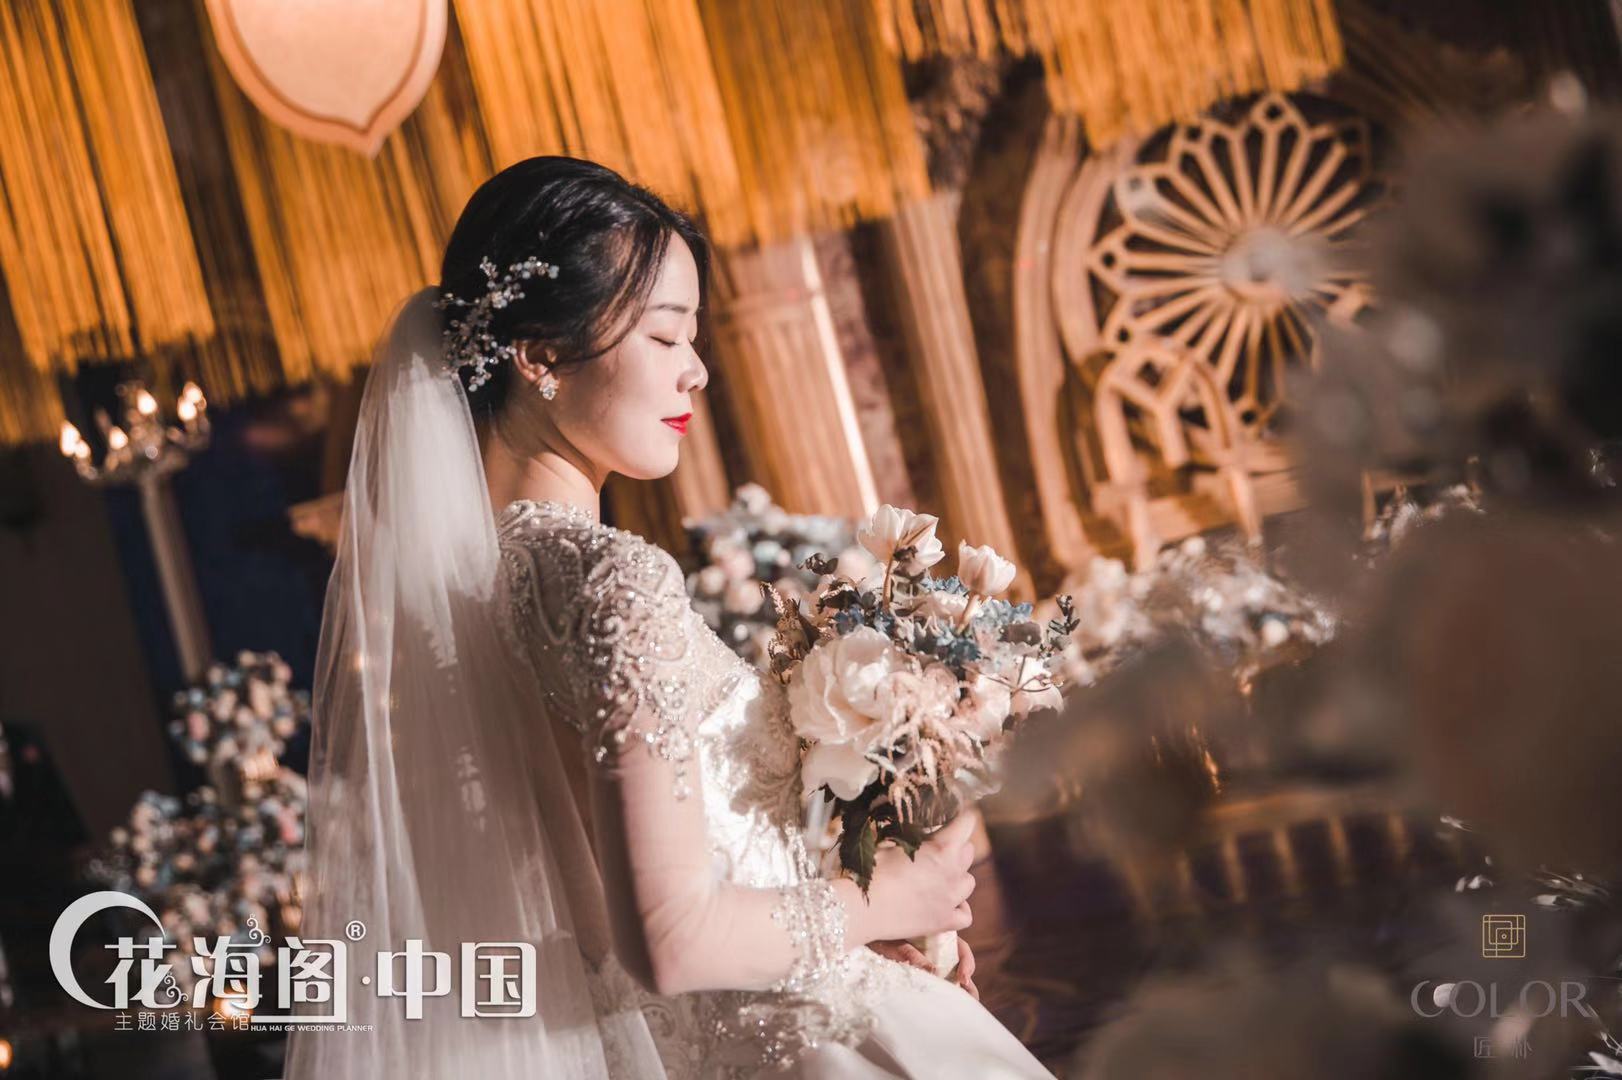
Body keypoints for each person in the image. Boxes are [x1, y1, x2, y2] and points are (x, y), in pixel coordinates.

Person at [285, 156, 1052, 1078]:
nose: (697, 371)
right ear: (538, 355)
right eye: (664, 335)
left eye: (693, 337)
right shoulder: (614, 579)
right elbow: (671, 940)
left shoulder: (476, 591)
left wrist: (850, 934)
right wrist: (888, 901)